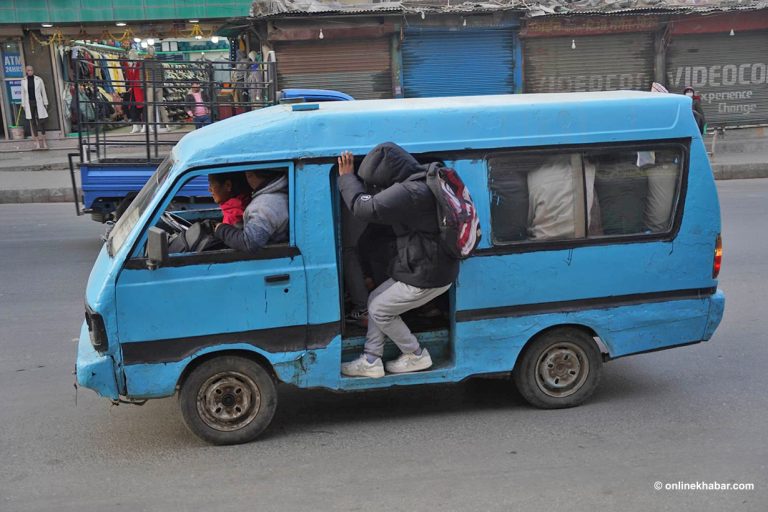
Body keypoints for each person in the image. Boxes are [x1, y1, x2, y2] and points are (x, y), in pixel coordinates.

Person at [338, 143, 460, 378]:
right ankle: (371, 359)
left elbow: (365, 208)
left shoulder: (410, 191)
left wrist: (346, 178)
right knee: (375, 299)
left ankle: (415, 354)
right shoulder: (424, 178)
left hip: (426, 275)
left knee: (380, 309)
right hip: (427, 267)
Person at [212, 170, 288, 253]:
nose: (209, 189)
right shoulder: (276, 194)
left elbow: (250, 243)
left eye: (211, 184)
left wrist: (221, 229)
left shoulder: (263, 205)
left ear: (249, 174)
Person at [20, 65, 49, 150]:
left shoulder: (39, 80)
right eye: (28, 70)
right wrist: (23, 105)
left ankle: (44, 141)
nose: (30, 72)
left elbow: (43, 91)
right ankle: (37, 143)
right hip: (29, 103)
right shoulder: (23, 81)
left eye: (31, 70)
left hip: (38, 102)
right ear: (26, 71)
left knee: (42, 121)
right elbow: (22, 94)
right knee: (32, 122)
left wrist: (45, 102)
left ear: (33, 70)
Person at [144, 46, 170, 132]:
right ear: (148, 51)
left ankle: (167, 124)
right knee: (150, 105)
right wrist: (144, 84)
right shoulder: (145, 62)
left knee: (161, 105)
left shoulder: (158, 62)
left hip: (158, 85)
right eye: (150, 50)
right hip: (150, 85)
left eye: (153, 50)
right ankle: (149, 125)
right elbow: (142, 73)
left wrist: (162, 83)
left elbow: (163, 73)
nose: (152, 52)